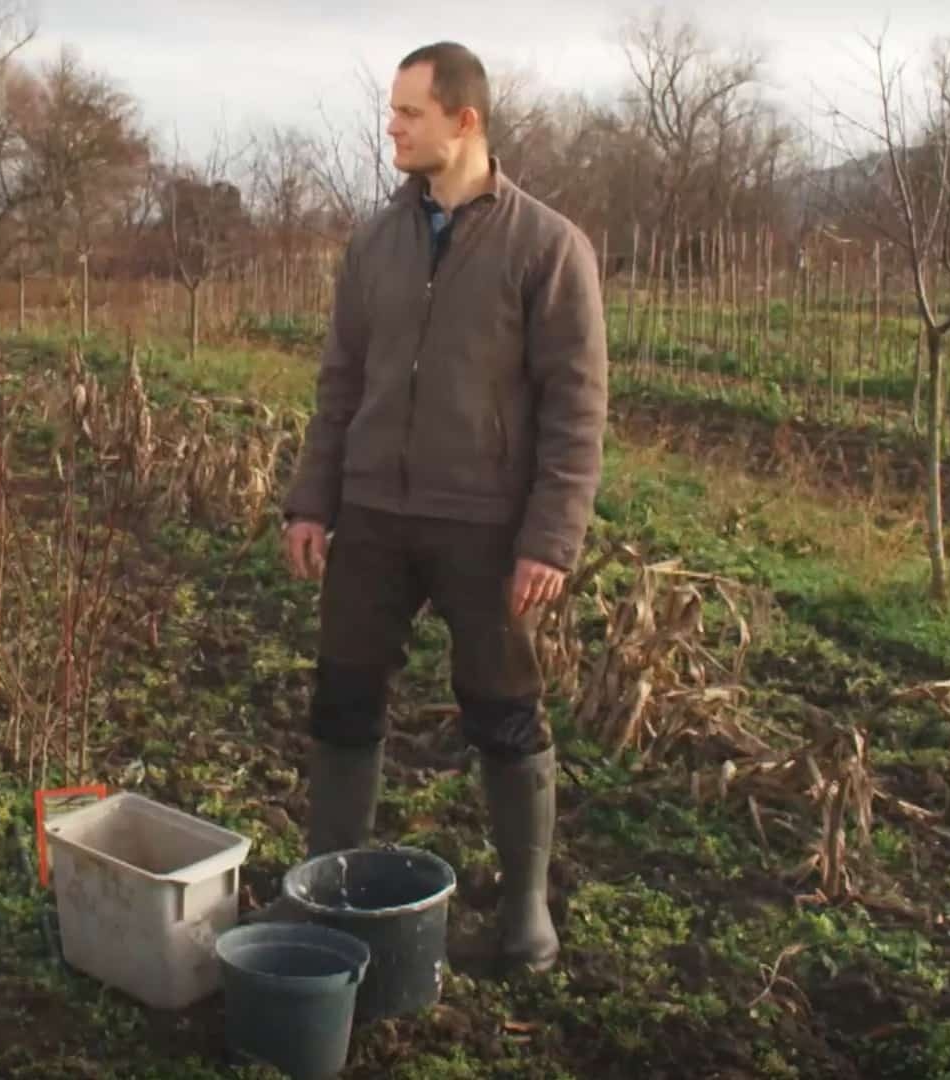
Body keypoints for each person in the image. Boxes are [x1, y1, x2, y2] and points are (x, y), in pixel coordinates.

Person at [275, 41, 609, 975]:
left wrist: (551, 537)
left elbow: (577, 407)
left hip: (486, 526)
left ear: (464, 121)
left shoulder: (547, 247)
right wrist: (313, 500)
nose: (391, 126)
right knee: (343, 699)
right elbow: (340, 381)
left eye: (408, 113)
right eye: (392, 111)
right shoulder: (374, 239)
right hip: (374, 515)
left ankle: (525, 911)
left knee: (503, 713)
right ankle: (325, 887)